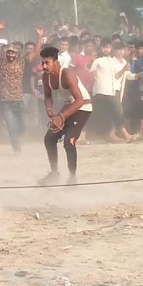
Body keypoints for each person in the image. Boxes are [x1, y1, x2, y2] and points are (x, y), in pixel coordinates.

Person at [39, 46, 93, 185]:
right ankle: (54, 173)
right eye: (42, 63)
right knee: (49, 139)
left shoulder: (67, 73)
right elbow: (47, 96)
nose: (44, 66)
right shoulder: (46, 77)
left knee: (69, 142)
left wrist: (61, 117)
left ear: (55, 62)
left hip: (83, 107)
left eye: (47, 63)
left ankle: (72, 178)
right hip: (69, 107)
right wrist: (49, 107)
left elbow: (80, 100)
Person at [0, 22, 43, 154]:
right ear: (5, 53)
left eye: (13, 53)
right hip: (6, 102)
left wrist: (39, 37)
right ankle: (17, 148)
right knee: (11, 126)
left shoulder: (21, 62)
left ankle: (16, 138)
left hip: (19, 101)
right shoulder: (1, 62)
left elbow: (36, 52)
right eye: (8, 52)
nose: (11, 55)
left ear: (17, 54)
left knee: (24, 125)